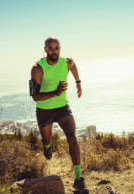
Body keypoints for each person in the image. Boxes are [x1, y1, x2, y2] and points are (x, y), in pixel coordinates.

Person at [29, 37, 88, 192]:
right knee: (47, 140)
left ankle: (78, 178)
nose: (54, 51)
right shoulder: (37, 69)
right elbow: (35, 97)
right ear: (45, 49)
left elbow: (73, 66)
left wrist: (78, 83)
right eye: (50, 48)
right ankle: (47, 147)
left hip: (62, 107)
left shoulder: (66, 62)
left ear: (60, 48)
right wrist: (56, 92)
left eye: (56, 48)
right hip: (44, 110)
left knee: (72, 137)